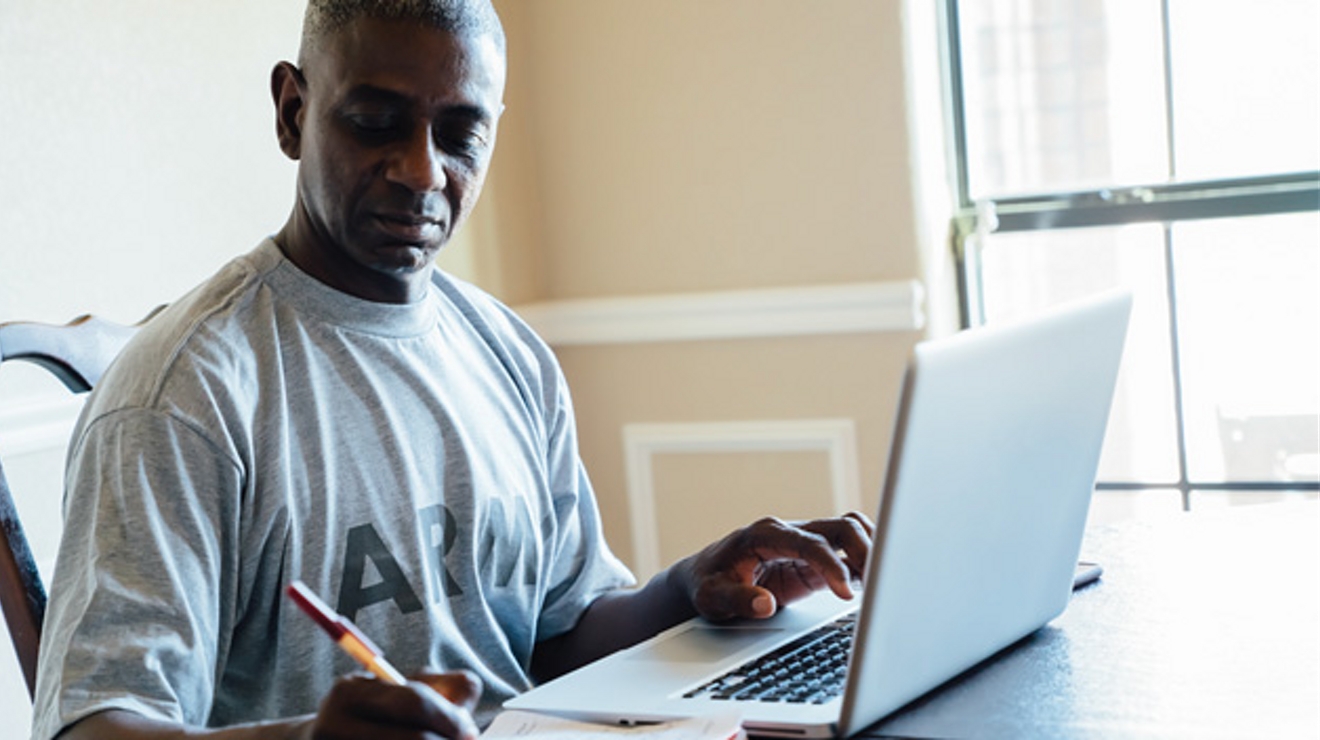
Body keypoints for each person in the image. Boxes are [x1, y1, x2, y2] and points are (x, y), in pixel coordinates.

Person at [31, 2, 873, 739]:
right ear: (293, 111)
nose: (423, 172)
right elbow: (95, 725)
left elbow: (558, 633)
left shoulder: (508, 352)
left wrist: (690, 587)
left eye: (461, 133)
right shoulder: (183, 395)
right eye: (376, 122)